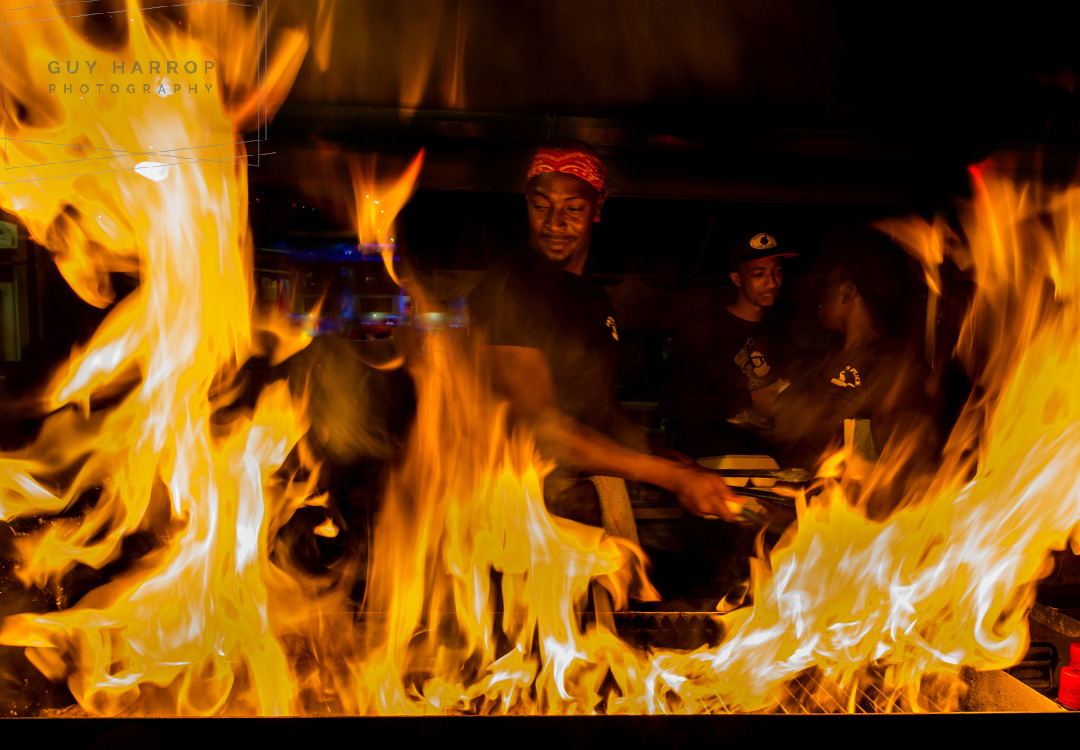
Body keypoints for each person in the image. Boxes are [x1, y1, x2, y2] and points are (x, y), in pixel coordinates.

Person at [468, 140, 741, 531]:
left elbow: (600, 407)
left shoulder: (594, 297)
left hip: (575, 503)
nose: (554, 223)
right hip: (511, 508)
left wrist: (657, 451)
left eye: (573, 209)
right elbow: (541, 427)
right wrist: (669, 477)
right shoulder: (512, 285)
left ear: (599, 206)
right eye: (541, 207)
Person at [772, 228, 941, 512]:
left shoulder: (897, 368)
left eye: (828, 286)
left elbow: (898, 466)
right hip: (806, 513)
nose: (820, 295)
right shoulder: (832, 358)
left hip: (850, 528)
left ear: (849, 292)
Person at [659, 232, 799, 459]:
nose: (772, 282)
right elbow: (671, 401)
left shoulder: (780, 337)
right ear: (736, 279)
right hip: (707, 468)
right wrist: (748, 400)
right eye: (759, 274)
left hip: (767, 469)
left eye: (777, 271)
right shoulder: (703, 330)